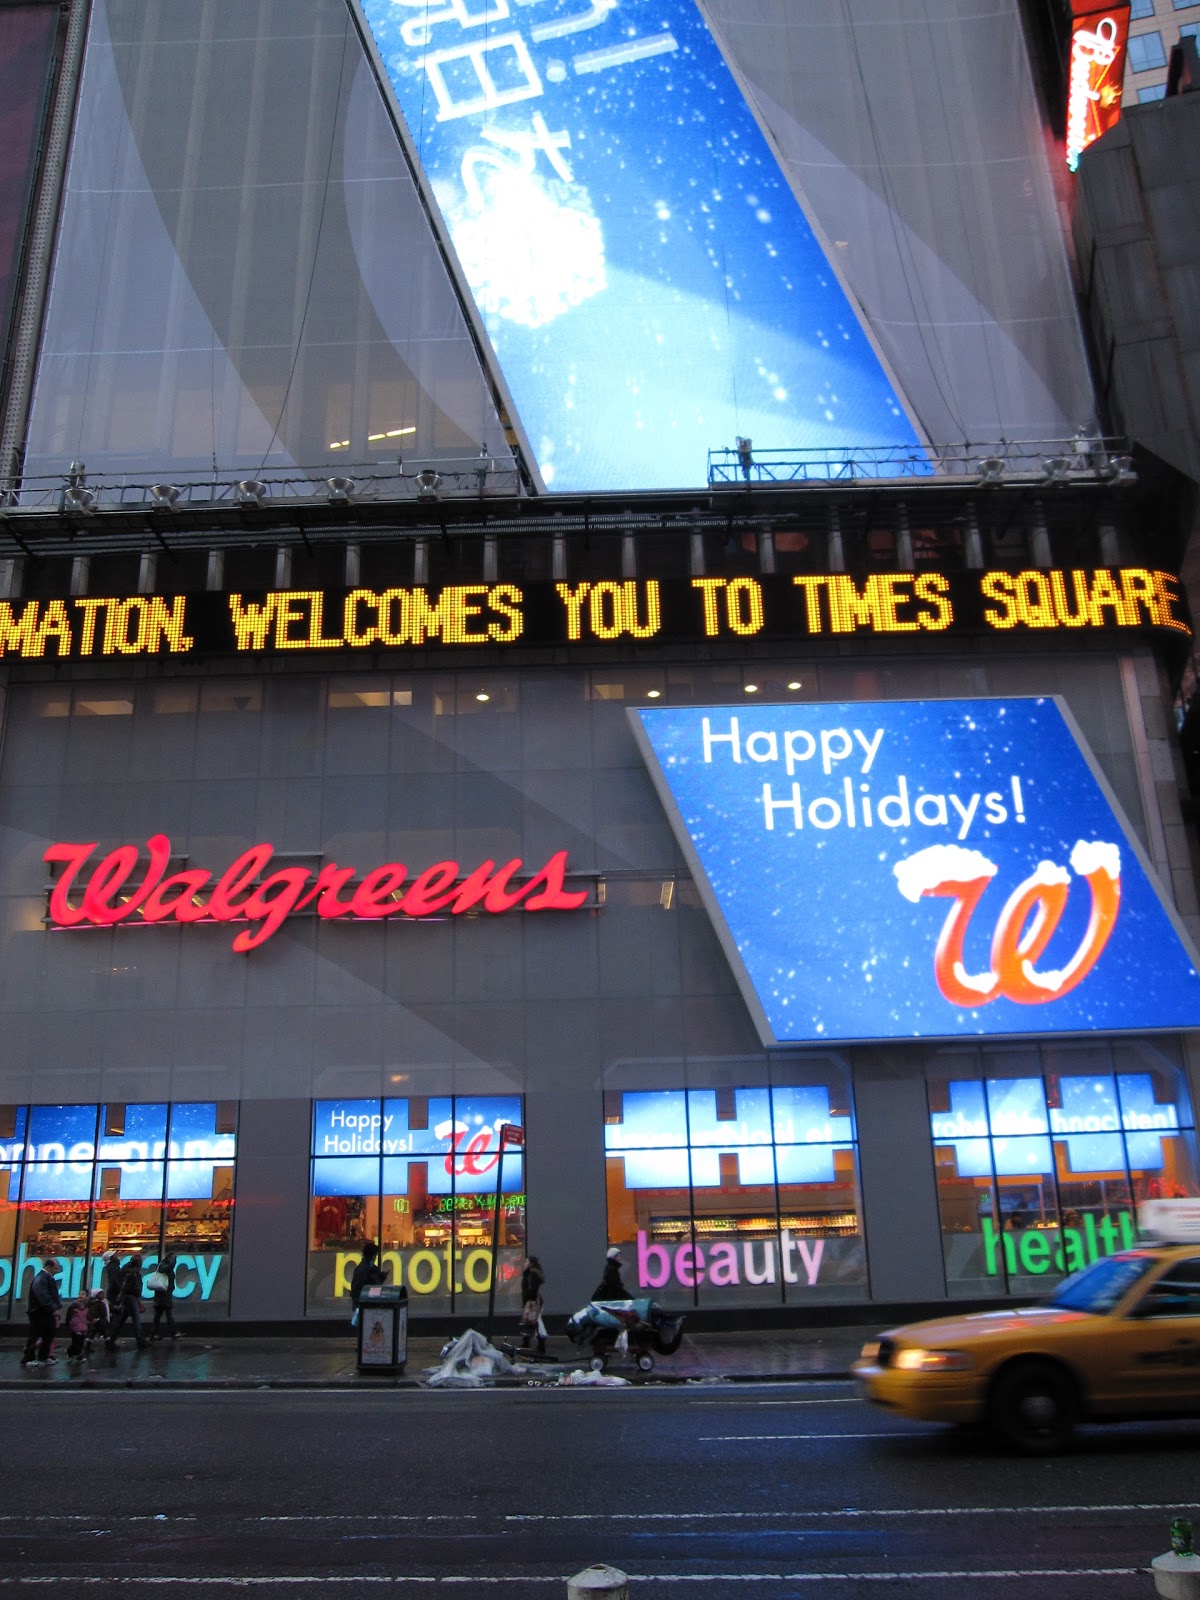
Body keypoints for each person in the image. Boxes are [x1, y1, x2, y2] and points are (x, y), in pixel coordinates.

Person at [21, 1258, 62, 1367]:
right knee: (35, 1334)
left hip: (45, 1311)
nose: (56, 1271)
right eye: (55, 1268)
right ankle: (29, 1357)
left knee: (48, 1334)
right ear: (49, 1267)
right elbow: (42, 1295)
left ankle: (43, 1357)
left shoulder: (47, 1278)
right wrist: (53, 1308)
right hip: (39, 1312)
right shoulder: (41, 1278)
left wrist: (56, 1307)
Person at [106, 1254, 149, 1350]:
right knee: (135, 1317)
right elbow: (127, 1286)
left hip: (127, 1296)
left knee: (122, 1318)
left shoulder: (126, 1270)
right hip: (130, 1297)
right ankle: (140, 1339)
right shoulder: (132, 1273)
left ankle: (112, 1338)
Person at [349, 1242, 385, 1324]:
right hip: (366, 1307)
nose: (375, 1258)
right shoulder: (363, 1270)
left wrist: (381, 1278)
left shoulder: (369, 1268)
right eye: (374, 1255)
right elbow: (356, 1290)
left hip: (370, 1305)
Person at [520, 1255, 546, 1355]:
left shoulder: (531, 1274)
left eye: (526, 1262)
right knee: (529, 1320)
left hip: (533, 1302)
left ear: (531, 1264)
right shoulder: (530, 1273)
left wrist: (530, 1302)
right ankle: (526, 1343)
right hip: (532, 1301)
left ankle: (541, 1343)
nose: (524, 1264)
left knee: (535, 1321)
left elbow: (532, 1289)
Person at [150, 1253, 178, 1341]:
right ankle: (173, 1332)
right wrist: (173, 1261)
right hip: (163, 1295)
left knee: (159, 1315)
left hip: (164, 1295)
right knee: (166, 1314)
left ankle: (155, 1333)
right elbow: (169, 1269)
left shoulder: (164, 1265)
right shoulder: (163, 1265)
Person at [64, 1291, 90, 1362]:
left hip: (83, 1327)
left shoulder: (86, 1307)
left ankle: (71, 1352)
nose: (80, 1296)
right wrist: (68, 1324)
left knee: (81, 1342)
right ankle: (78, 1354)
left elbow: (88, 1316)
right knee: (77, 1341)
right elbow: (68, 1316)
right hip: (75, 1327)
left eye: (83, 1294)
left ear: (87, 1297)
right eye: (79, 1294)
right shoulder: (73, 1306)